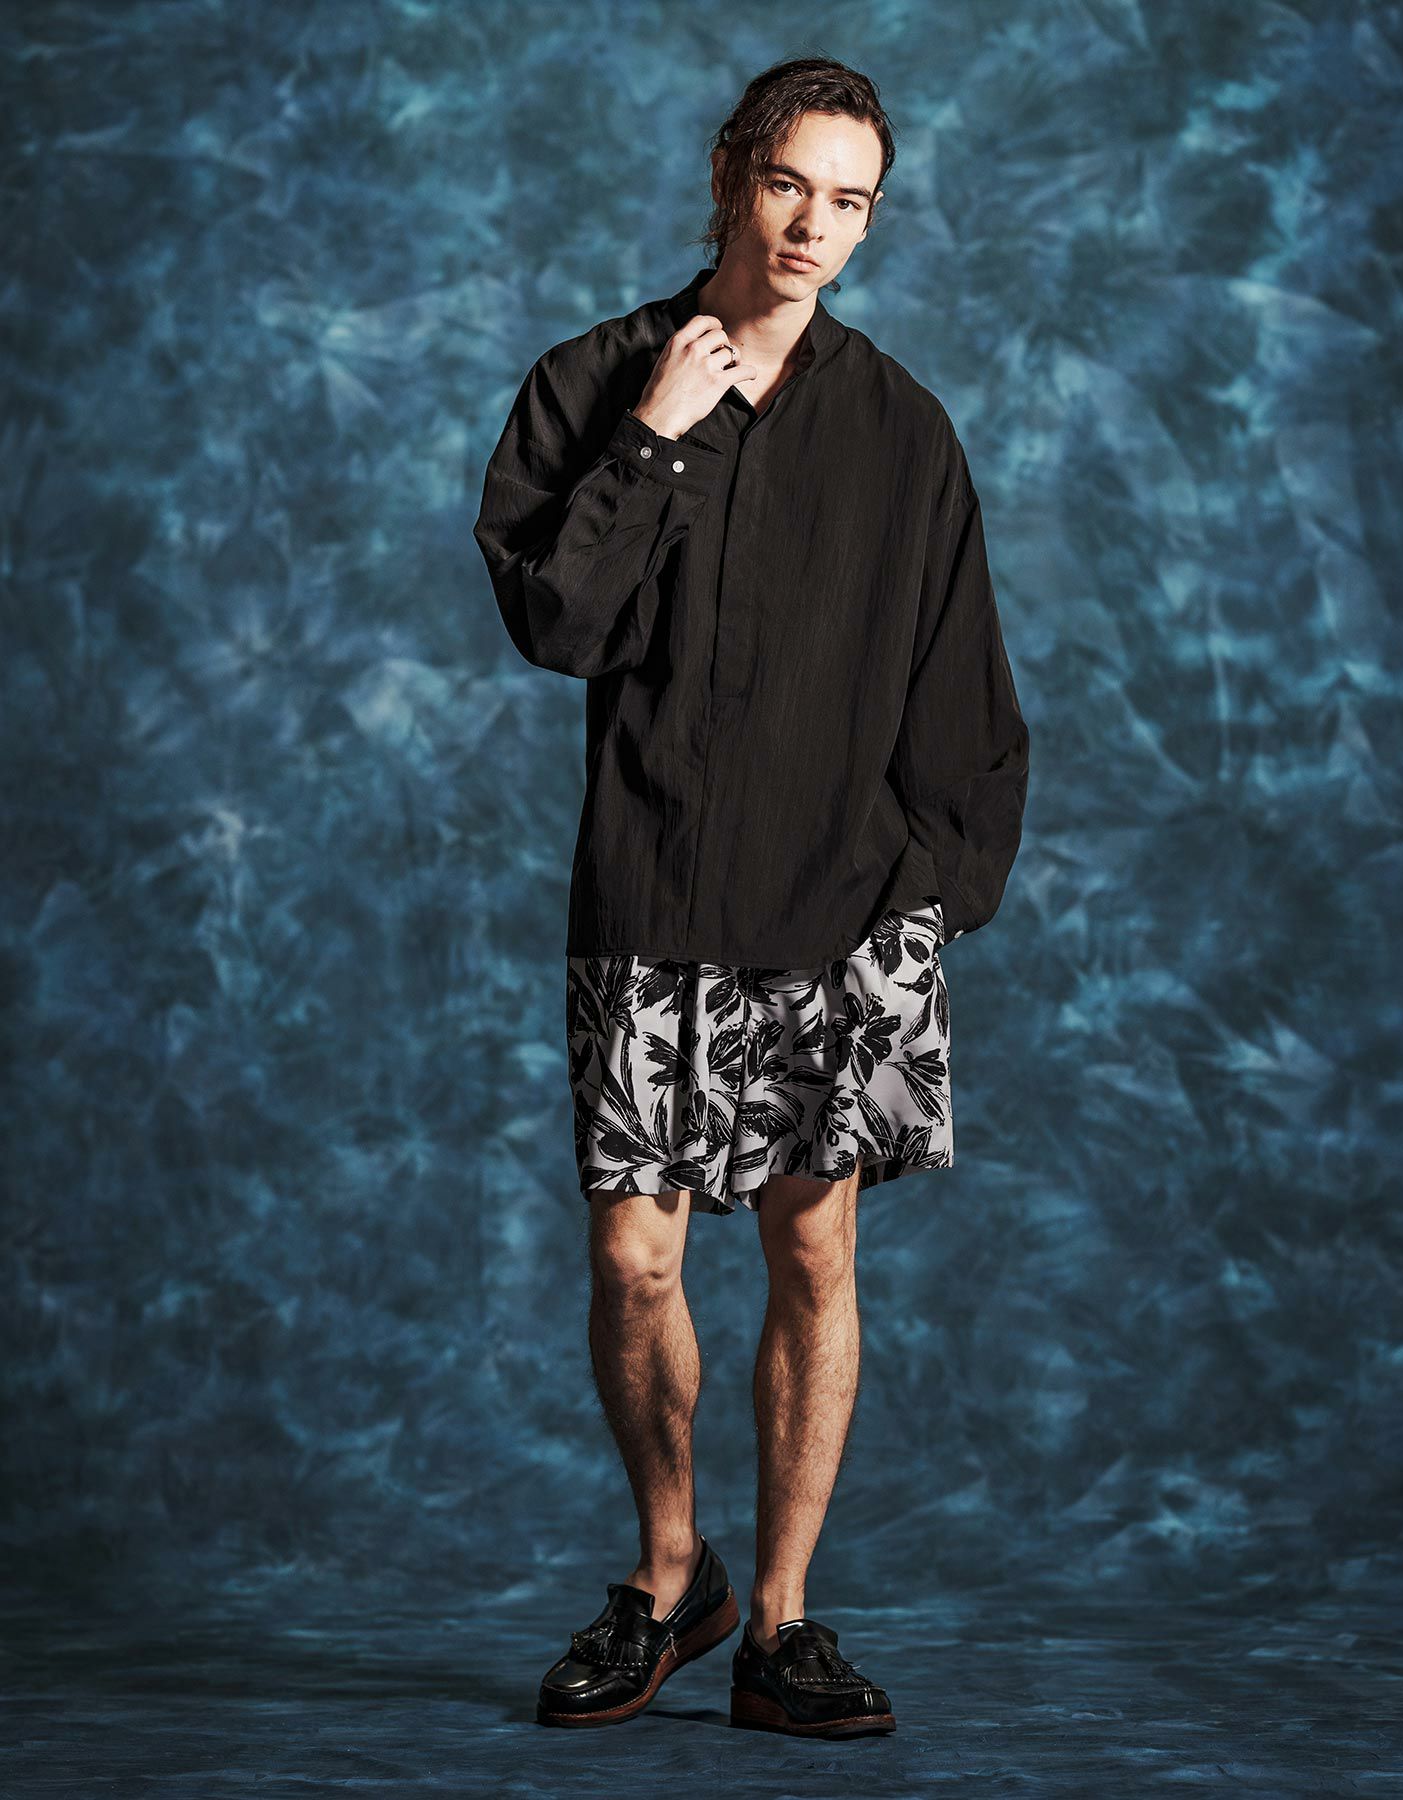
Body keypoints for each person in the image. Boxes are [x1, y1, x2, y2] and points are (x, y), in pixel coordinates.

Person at [472, 56, 1029, 1738]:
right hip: (652, 888)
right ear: (731, 173)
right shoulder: (594, 382)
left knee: (813, 1245)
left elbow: (964, 692)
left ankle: (781, 1621)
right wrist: (653, 441)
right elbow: (556, 626)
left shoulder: (905, 431)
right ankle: (671, 1578)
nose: (813, 226)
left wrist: (927, 904)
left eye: (851, 201)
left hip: (844, 912)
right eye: (791, 183)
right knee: (636, 1259)